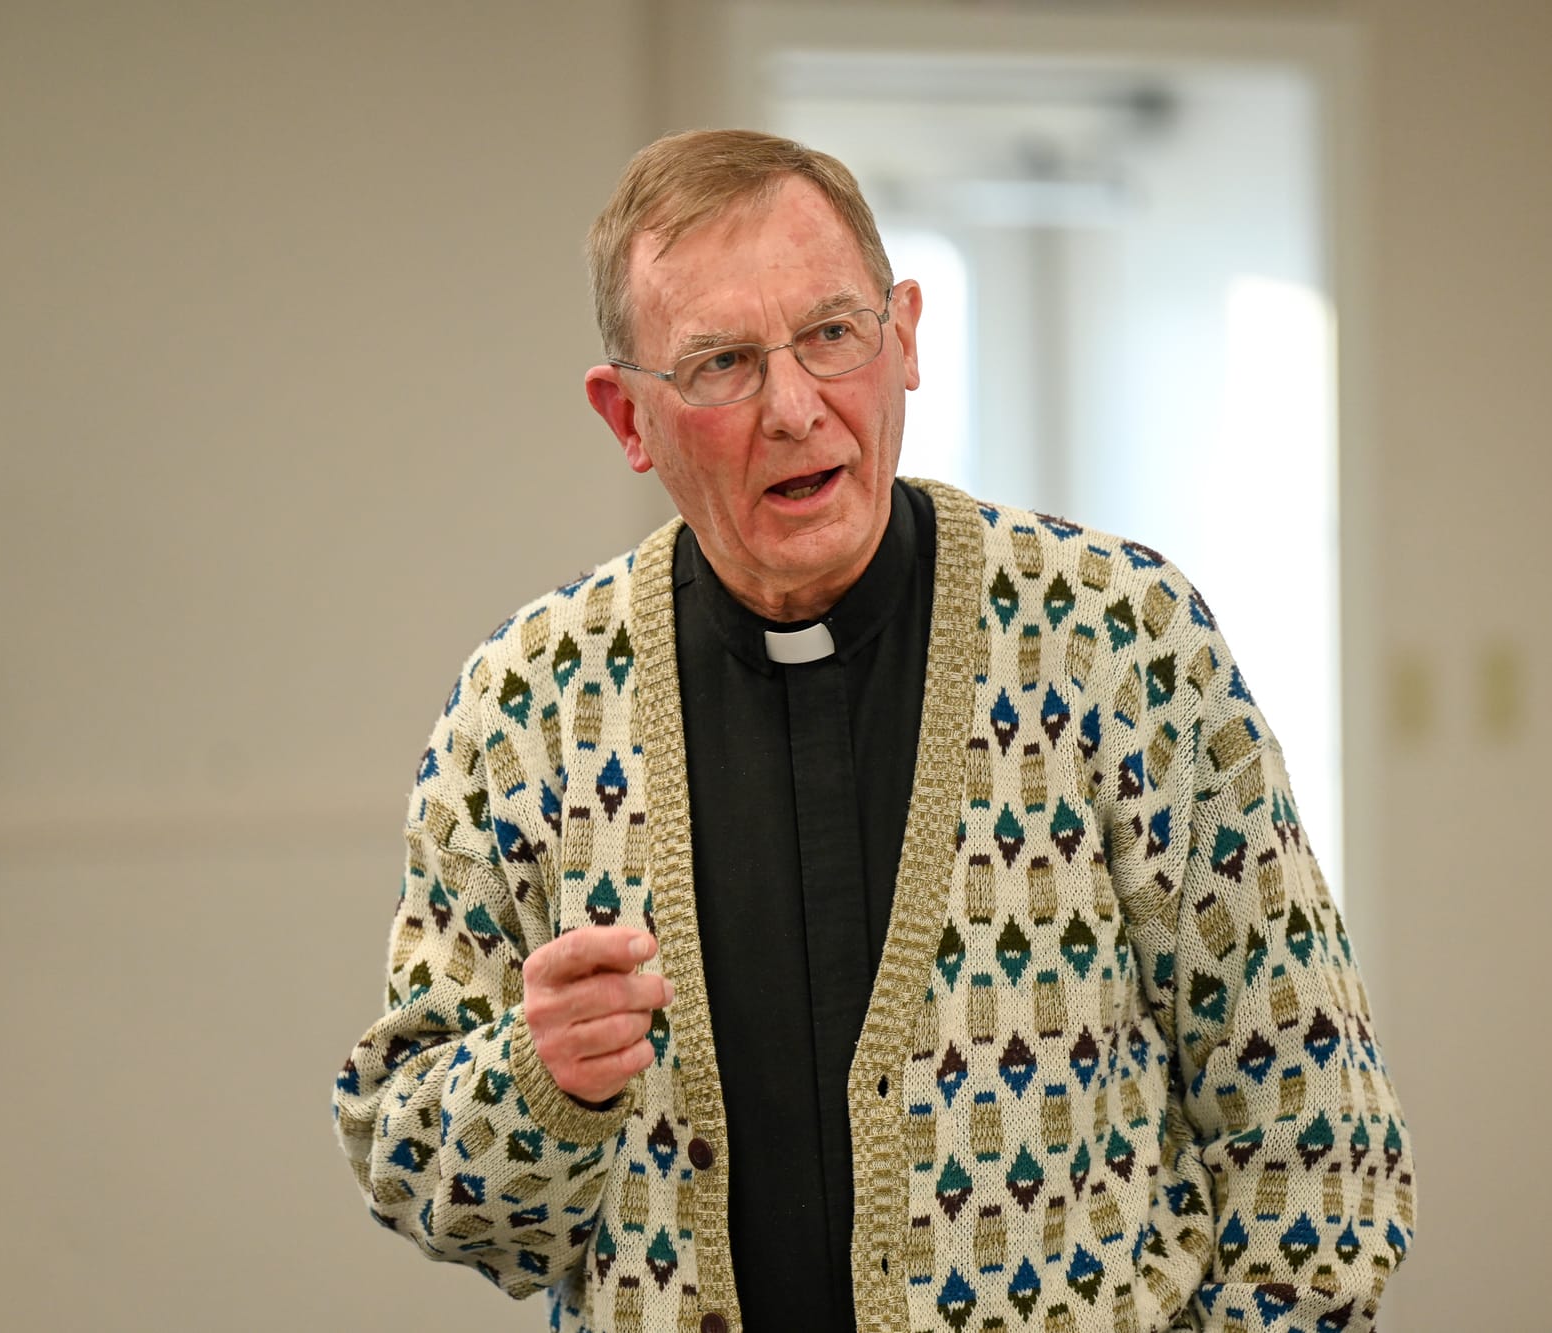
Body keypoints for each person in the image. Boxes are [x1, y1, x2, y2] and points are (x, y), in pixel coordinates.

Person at [334, 129, 1414, 1333]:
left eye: (831, 335)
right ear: (626, 418)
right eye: (721, 364)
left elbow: (1318, 1141)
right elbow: (422, 1176)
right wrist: (544, 1089)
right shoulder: (526, 708)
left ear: (903, 339)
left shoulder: (1117, 642)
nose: (794, 408)